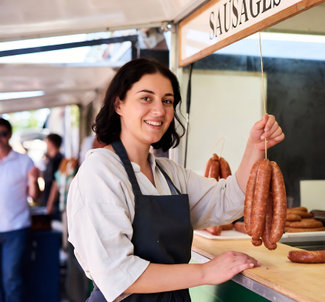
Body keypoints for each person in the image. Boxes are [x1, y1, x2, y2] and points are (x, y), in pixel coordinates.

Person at [67, 58, 285, 301]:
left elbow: (227, 200)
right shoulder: (100, 172)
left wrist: (255, 147)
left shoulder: (169, 173)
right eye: (146, 98)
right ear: (119, 104)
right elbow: (116, 272)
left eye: (167, 101)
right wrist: (205, 272)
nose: (159, 110)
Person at [0, 117, 40, 302]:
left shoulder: (24, 160)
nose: (0, 138)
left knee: (11, 278)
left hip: (16, 228)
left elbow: (35, 196)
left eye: (3, 134)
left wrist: (33, 181)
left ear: (9, 135)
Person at [42, 133, 64, 220]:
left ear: (51, 143)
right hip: (49, 200)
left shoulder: (58, 160)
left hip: (54, 204)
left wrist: (50, 204)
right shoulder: (51, 159)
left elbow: (56, 183)